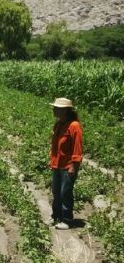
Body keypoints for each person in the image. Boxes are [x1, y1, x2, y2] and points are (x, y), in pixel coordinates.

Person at [50, 97, 83, 230]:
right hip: (57, 164)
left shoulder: (74, 126)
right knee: (56, 192)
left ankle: (67, 219)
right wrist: (52, 161)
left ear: (65, 111)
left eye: (56, 108)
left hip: (68, 166)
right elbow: (55, 146)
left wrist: (74, 166)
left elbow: (77, 147)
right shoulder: (59, 124)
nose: (53, 109)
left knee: (65, 192)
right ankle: (56, 216)